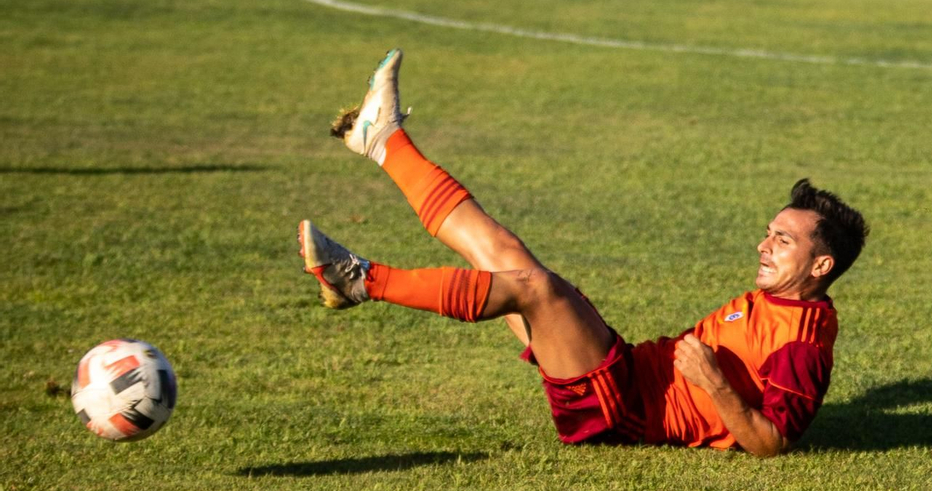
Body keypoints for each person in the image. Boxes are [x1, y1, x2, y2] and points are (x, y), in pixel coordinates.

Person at [298, 51, 868, 455]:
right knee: (499, 250)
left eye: (783, 241)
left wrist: (714, 382)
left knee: (532, 287)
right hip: (621, 373)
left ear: (821, 267)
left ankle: (357, 279)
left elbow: (772, 444)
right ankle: (383, 141)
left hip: (623, 409)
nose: (764, 246)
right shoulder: (783, 303)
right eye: (770, 232)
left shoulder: (803, 342)